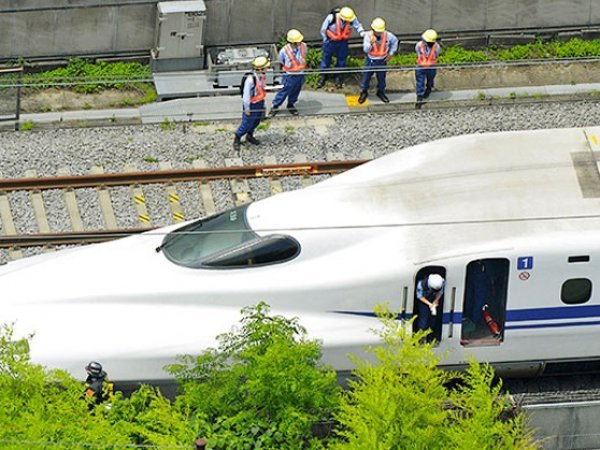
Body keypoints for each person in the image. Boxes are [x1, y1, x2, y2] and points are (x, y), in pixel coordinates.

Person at [318, 6, 365, 89]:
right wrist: (326, 40)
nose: (349, 21)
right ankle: (323, 76)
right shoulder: (331, 18)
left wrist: (363, 33)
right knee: (326, 58)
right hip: (330, 41)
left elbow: (358, 26)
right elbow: (323, 29)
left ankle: (338, 77)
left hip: (342, 42)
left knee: (341, 60)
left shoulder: (351, 18)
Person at [358, 17, 398, 104]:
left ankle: (381, 92)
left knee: (381, 78)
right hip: (371, 60)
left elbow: (395, 41)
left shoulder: (388, 35)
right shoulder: (368, 36)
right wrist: (371, 43)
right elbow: (366, 50)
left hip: (382, 60)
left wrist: (391, 53)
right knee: (366, 77)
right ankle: (364, 92)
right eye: (377, 31)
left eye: (380, 31)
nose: (379, 33)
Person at [233, 56, 270, 152]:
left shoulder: (261, 76)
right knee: (246, 123)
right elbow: (246, 96)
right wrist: (247, 108)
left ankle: (250, 135)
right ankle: (237, 137)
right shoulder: (250, 80)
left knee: (256, 122)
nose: (267, 69)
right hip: (252, 104)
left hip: (259, 102)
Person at [269, 29, 306, 118]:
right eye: (298, 41)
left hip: (300, 73)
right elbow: (281, 60)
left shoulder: (303, 46)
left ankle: (291, 104)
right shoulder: (284, 51)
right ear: (293, 42)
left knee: (296, 90)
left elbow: (304, 55)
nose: (300, 42)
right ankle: (275, 106)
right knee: (284, 90)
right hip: (289, 75)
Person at [415, 29, 441, 110]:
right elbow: (418, 54)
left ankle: (429, 88)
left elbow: (436, 55)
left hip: (431, 67)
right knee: (420, 81)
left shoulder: (437, 47)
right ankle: (419, 97)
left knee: (430, 79)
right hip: (421, 67)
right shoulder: (419, 45)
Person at [415, 273, 445, 340]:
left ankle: (430, 337)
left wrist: (436, 300)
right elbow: (420, 296)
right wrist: (429, 304)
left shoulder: (441, 282)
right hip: (424, 300)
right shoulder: (421, 284)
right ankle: (421, 339)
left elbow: (440, 292)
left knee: (433, 319)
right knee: (423, 320)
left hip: (433, 299)